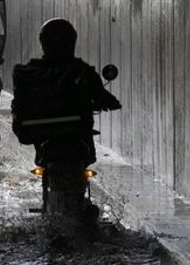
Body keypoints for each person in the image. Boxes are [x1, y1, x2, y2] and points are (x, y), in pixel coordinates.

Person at [10, 18, 121, 167]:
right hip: (75, 132)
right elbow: (101, 95)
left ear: (43, 43)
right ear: (72, 42)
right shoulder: (82, 71)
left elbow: (19, 102)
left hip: (40, 134)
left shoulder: (28, 72)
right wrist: (111, 103)